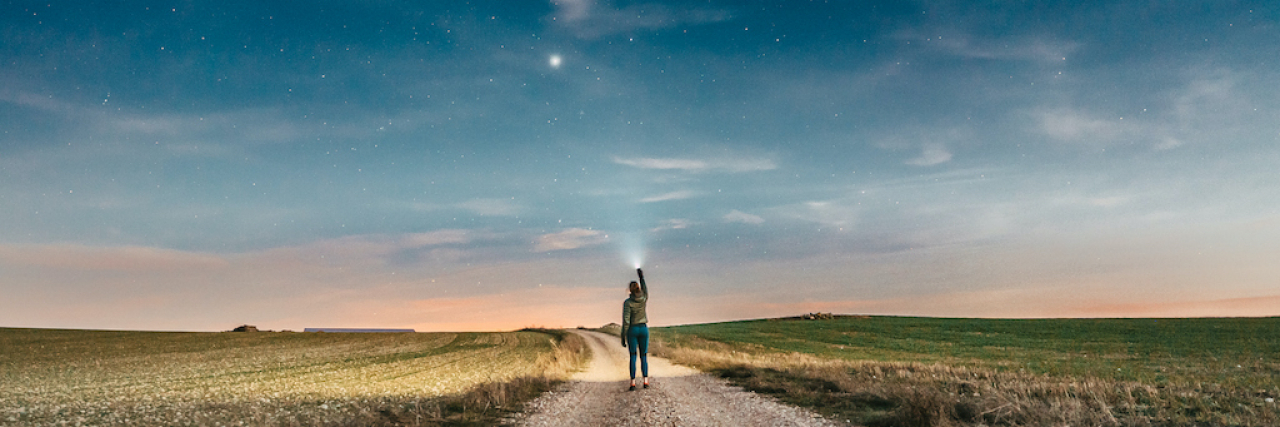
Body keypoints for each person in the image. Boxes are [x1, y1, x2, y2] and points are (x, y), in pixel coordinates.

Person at [621, 268, 649, 391]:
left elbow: (626, 321)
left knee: (633, 356)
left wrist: (623, 336)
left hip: (632, 330)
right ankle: (645, 381)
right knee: (644, 356)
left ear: (630, 290)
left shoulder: (627, 303)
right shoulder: (643, 298)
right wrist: (641, 277)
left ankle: (632, 382)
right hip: (643, 329)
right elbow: (646, 289)